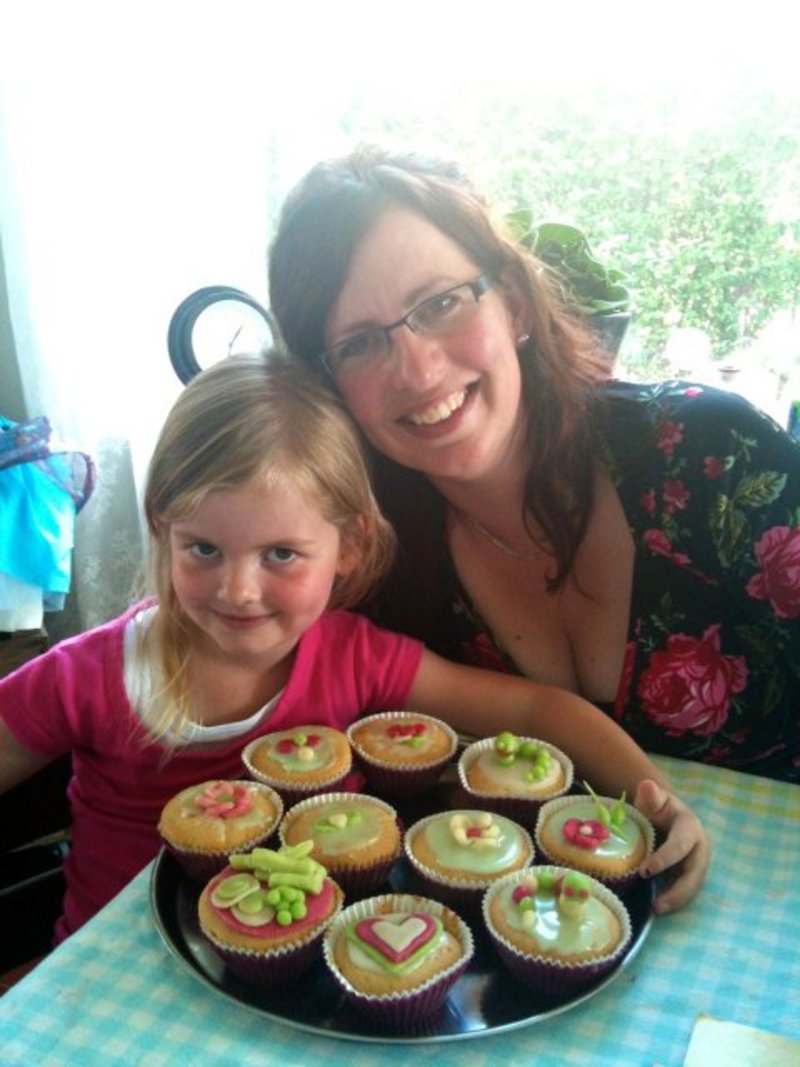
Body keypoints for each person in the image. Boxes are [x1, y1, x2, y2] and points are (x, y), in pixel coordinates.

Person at [0, 356, 705, 946]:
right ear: (162, 527)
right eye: (203, 548)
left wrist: (658, 800)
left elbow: (533, 709)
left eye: (281, 553)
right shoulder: (85, 676)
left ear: (350, 546)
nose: (238, 590)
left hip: (312, 976)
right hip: (116, 977)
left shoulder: (355, 659)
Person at [267, 145, 800, 787]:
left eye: (440, 304)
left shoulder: (714, 455)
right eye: (358, 343)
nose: (419, 371)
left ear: (514, 302)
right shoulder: (367, 559)